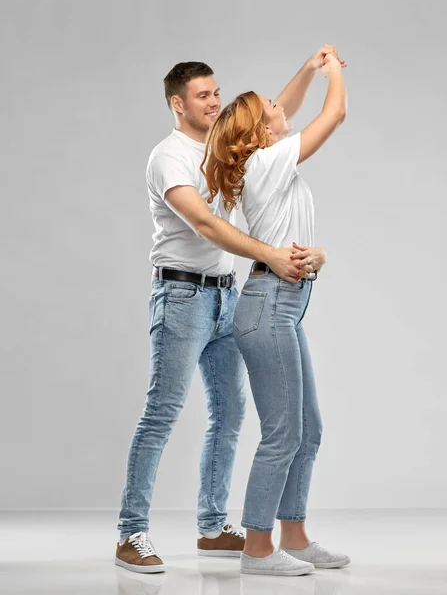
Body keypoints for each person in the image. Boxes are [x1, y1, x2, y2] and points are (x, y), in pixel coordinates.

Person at [114, 49, 344, 574]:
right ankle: (132, 532)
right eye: (203, 96)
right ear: (178, 104)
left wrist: (308, 69)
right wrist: (272, 255)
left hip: (226, 294)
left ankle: (214, 526)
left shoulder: (225, 147)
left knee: (231, 416)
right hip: (181, 296)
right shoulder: (168, 157)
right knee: (162, 413)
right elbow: (207, 225)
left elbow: (270, 117)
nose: (215, 102)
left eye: (217, 93)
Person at [202, 50, 350, 576]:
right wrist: (333, 70)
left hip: (281, 305)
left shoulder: (263, 160)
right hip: (268, 309)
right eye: (272, 107)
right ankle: (258, 549)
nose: (281, 105)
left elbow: (296, 243)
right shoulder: (267, 160)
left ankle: (294, 535)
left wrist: (309, 68)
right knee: (283, 433)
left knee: (308, 432)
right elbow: (332, 116)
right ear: (263, 131)